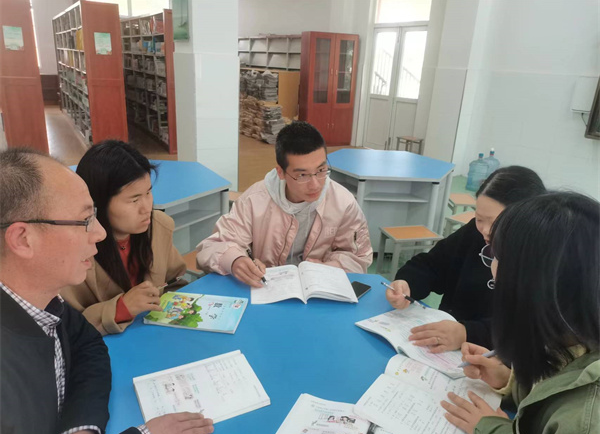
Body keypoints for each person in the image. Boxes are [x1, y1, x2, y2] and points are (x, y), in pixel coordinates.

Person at [0, 149, 214, 434]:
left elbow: (87, 346)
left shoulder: (48, 306)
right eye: (85, 220)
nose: (100, 233)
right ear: (23, 239)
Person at [441, 192, 599, 434]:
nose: (492, 266)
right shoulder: (569, 332)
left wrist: (492, 430)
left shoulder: (586, 423)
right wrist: (508, 381)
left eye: (497, 256)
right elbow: (552, 388)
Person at [385, 166, 546, 352]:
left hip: (491, 356)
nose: (485, 231)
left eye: (496, 223)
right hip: (443, 342)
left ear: (527, 221)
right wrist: (407, 283)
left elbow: (528, 328)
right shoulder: (475, 234)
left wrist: (466, 333)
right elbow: (433, 264)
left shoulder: (543, 258)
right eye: (479, 219)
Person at [196, 121, 372, 286]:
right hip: (265, 287)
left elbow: (358, 257)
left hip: (318, 289)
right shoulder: (254, 200)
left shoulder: (343, 203)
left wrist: (329, 267)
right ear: (280, 172)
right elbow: (211, 248)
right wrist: (236, 260)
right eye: (302, 175)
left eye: (321, 170)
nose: (315, 184)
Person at [60, 140, 187, 335]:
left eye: (148, 192)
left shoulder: (158, 227)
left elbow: (175, 282)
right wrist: (121, 308)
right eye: (134, 200)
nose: (146, 208)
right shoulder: (71, 252)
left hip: (154, 336)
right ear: (98, 203)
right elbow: (65, 328)